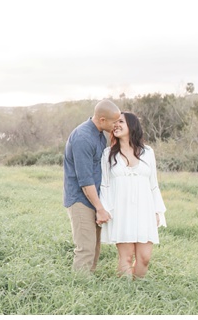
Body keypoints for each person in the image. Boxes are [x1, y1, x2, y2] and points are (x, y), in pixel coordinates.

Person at [99, 111, 167, 279]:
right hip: (121, 211)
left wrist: (158, 211)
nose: (116, 125)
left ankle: (139, 290)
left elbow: (153, 184)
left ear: (132, 125)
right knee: (126, 257)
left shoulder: (148, 152)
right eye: (114, 122)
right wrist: (105, 210)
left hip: (145, 210)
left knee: (144, 258)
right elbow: (105, 185)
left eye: (121, 122)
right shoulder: (108, 154)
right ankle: (126, 294)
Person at [63, 99, 121, 274]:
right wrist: (99, 208)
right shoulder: (83, 138)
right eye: (114, 121)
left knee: (95, 248)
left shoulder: (99, 135)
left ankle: (88, 284)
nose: (116, 125)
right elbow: (85, 180)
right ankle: (78, 291)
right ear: (102, 119)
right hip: (81, 200)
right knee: (85, 249)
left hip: (94, 199)